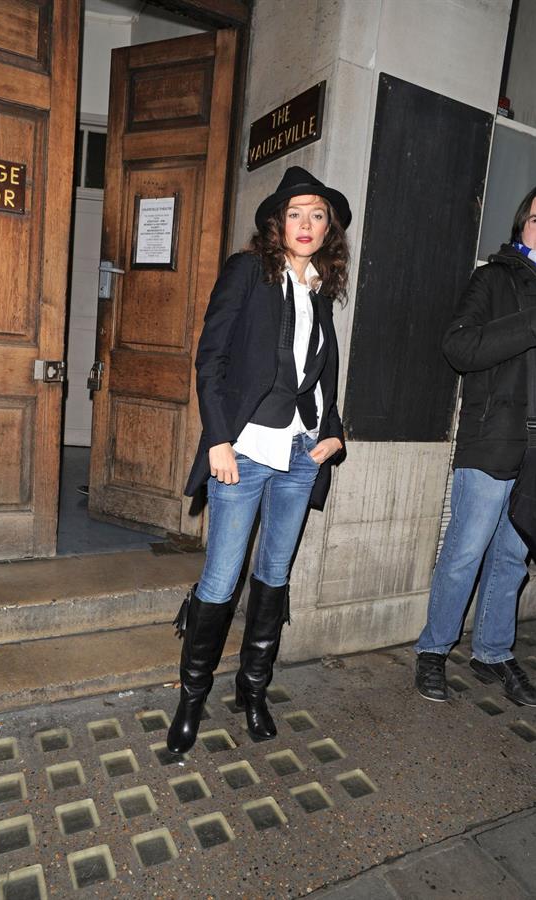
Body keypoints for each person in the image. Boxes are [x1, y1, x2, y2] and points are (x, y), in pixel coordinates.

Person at [166, 166, 351, 753]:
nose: (306, 224)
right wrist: (218, 439)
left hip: (301, 455)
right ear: (277, 222)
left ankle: (253, 689)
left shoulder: (321, 291)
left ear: (329, 230)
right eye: (296, 213)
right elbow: (211, 357)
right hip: (243, 453)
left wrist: (334, 431)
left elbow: (320, 378)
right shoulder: (248, 272)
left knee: (274, 574)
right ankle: (190, 700)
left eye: (318, 215)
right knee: (222, 578)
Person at [415, 186, 536, 706]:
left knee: (513, 556)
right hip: (493, 437)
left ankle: (492, 652)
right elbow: (458, 347)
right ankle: (434, 650)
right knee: (465, 550)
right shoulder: (493, 278)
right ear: (523, 224)